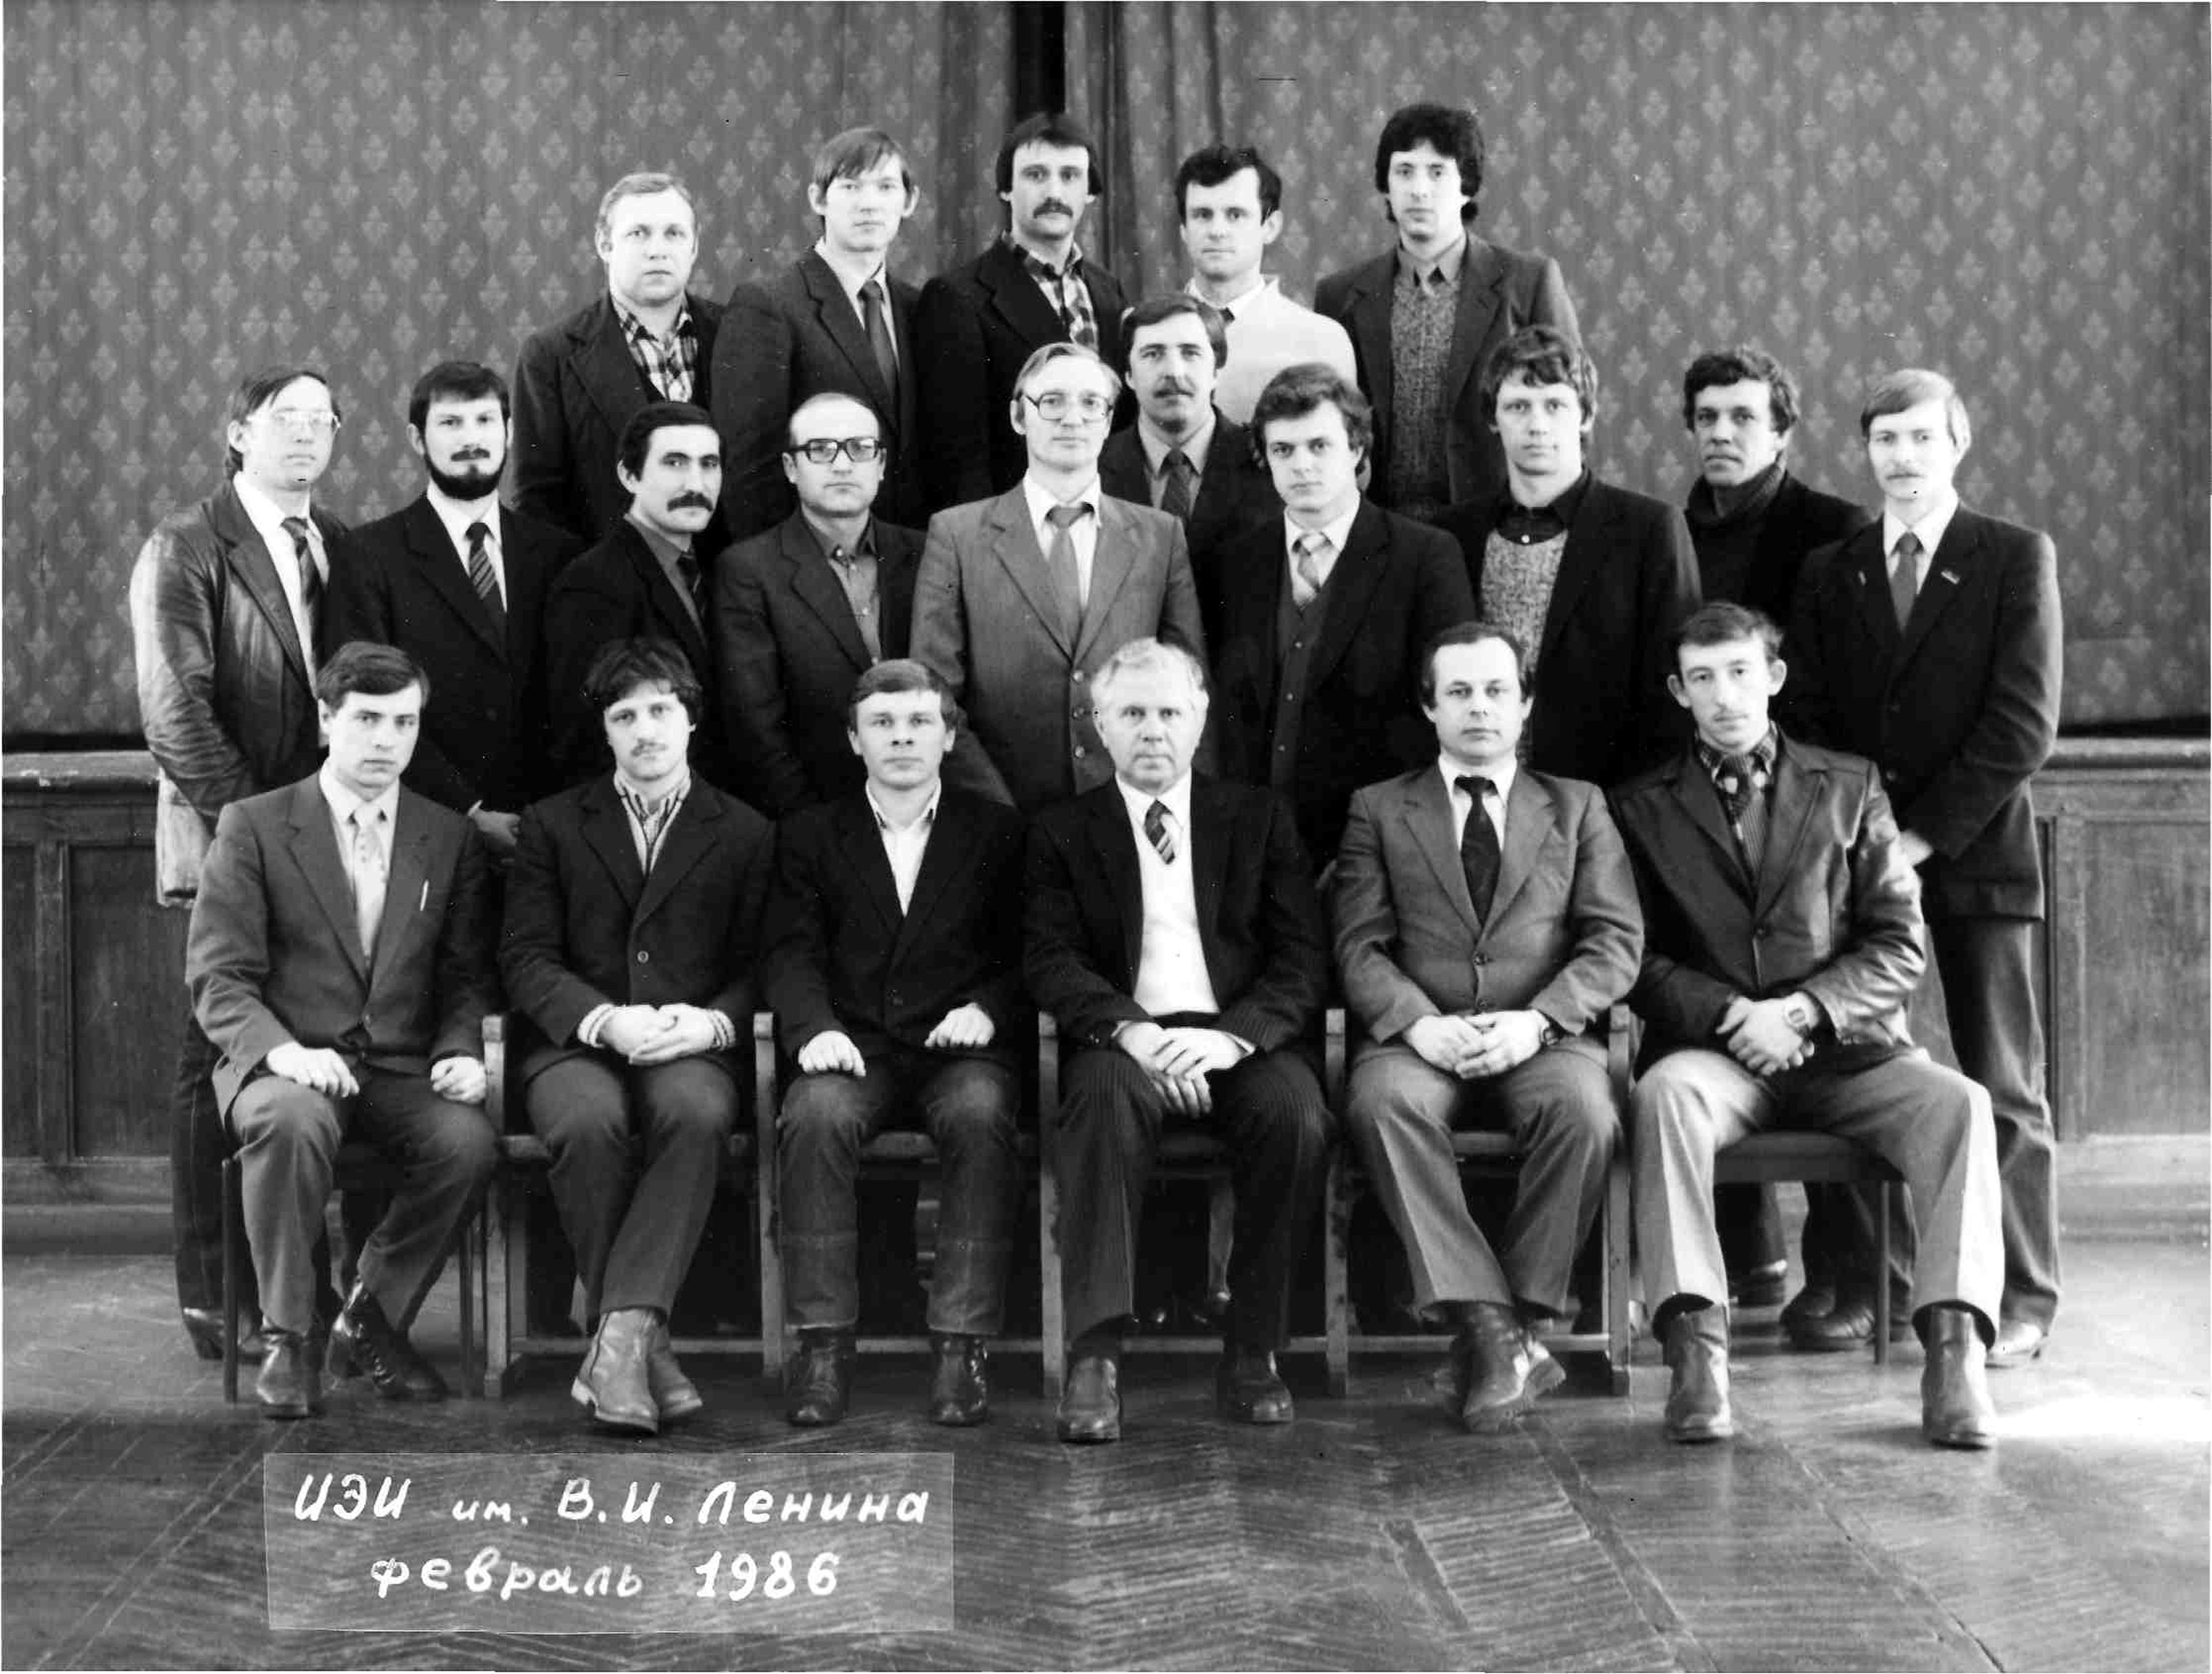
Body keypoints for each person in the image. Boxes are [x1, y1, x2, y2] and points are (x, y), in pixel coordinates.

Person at [1613, 603, 2002, 1449]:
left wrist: (1804, 1010)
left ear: (1774, 676)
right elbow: (1631, 956)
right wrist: (1730, 1014)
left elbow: (1899, 943)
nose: (1725, 695)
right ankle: (1696, 1357)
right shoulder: (1638, 807)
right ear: (1678, 691)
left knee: (1961, 1104)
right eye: (1703, 677)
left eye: (1740, 671)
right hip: (1716, 1056)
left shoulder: (1851, 785)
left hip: (1846, 1055)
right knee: (1663, 1098)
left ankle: (1954, 1358)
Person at [1786, 370, 2063, 1368]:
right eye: (1885, 439)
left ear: (1958, 444)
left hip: (1978, 858)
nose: (1902, 457)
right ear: (1865, 451)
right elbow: (1810, 718)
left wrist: (1918, 837)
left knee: (2002, 1083)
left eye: (1920, 437)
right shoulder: (1833, 569)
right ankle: (1880, 1283)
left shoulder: (2013, 555)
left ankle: (2021, 1296)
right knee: (1864, 1071)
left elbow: (2022, 724)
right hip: (1858, 866)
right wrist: (1865, 842)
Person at [1024, 639, 1333, 1443]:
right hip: (1121, 1041)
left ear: (1199, 720)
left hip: (1235, 1040)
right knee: (1098, 1101)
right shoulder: (1061, 829)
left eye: (1169, 711)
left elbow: (1301, 958)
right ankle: (1095, 1356)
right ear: (1098, 724)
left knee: (1296, 1115)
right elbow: (1049, 958)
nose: (1152, 729)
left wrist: (1234, 1041)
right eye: (1131, 712)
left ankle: (1254, 1348)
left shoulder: (1257, 819)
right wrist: (1130, 1031)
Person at [1333, 622, 1640, 1430]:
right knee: (1382, 1107)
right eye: (1459, 692)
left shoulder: (1577, 805)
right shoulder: (1377, 808)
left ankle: (1516, 1325)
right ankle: (1494, 1330)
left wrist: (1537, 1023)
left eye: (1496, 691)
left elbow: (1614, 941)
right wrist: (1415, 1024)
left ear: (1525, 703)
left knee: (1585, 1112)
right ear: (1428, 707)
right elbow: (1357, 945)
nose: (1479, 708)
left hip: (1542, 1034)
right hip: (1420, 1039)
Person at [185, 642, 498, 1419]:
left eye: (404, 722)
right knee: (289, 1123)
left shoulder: (446, 836)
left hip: (397, 1066)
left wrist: (461, 1051)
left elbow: (464, 977)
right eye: (366, 720)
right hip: (286, 1064)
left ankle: (369, 1314)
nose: (386, 740)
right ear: (326, 721)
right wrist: (284, 1052)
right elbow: (219, 978)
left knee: (467, 1142)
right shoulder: (255, 825)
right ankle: (290, 1337)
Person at [131, 365, 350, 1362]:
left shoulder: (335, 541)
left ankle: (300, 1290)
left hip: (322, 839)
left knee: (297, 1044)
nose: (305, 434)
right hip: (229, 834)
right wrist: (260, 832)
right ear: (238, 435)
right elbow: (174, 709)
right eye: (282, 418)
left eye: (321, 420)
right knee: (210, 1050)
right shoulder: (187, 545)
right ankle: (217, 1294)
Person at [499, 638, 772, 1435]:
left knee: (695, 1113)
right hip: (576, 1041)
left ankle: (616, 1342)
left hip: (690, 1043)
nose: (645, 730)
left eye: (661, 710)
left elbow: (770, 962)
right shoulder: (553, 824)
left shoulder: (747, 831)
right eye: (625, 716)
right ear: (605, 730)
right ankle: (638, 1348)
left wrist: (711, 1023)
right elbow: (524, 956)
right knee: (587, 1121)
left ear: (691, 720)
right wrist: (604, 1019)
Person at [761, 660, 1027, 1428]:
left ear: (948, 737)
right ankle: (822, 1345)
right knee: (814, 1116)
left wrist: (989, 1008)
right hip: (854, 1047)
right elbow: (789, 952)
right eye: (882, 724)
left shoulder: (998, 831)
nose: (901, 738)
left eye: (918, 723)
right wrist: (814, 1029)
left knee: (980, 1114)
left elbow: (1032, 951)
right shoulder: (811, 834)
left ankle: (960, 1346)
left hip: (960, 1049)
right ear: (854, 739)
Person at [1676, 345, 1871, 1320]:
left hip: (1813, 807)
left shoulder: (1832, 529)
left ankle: (1851, 1274)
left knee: (1820, 1036)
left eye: (1743, 416)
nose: (1722, 433)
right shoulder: (1676, 529)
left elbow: (1847, 683)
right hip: (1710, 793)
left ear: (1783, 430)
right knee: (1722, 1016)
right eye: (1707, 417)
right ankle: (1748, 1258)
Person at [911, 342, 1204, 814]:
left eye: (1091, 403)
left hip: (1128, 812)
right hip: (1004, 814)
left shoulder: (1159, 536)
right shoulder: (957, 534)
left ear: (1108, 421)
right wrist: (998, 812)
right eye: (1052, 402)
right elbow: (934, 694)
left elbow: (1189, 683)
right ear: (1018, 416)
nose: (1073, 418)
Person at [1210, 363, 1474, 870]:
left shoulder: (1425, 557)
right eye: (1283, 450)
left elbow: (1442, 711)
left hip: (1377, 847)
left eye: (1319, 446)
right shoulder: (1238, 561)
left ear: (1356, 450)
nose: (1301, 465)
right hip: (1256, 845)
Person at [322, 360, 582, 860]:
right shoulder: (369, 555)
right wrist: (469, 812)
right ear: (417, 439)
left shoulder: (559, 555)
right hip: (426, 829)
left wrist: (551, 817)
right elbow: (365, 701)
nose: (471, 438)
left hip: (549, 832)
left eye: (485, 420)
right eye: (450, 423)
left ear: (509, 433)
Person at [1436, 326, 1700, 788]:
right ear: (1493, 419)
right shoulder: (1453, 535)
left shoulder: (1648, 529)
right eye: (1518, 406)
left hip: (1607, 794)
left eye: (1555, 405)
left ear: (1586, 415)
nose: (1537, 424)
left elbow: (1673, 688)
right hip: (1475, 790)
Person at [1315, 102, 1579, 522]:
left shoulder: (1526, 282)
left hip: (1498, 521)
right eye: (1404, 171)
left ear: (1466, 185)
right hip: (1381, 526)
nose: (1419, 190)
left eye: (1437, 172)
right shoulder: (1341, 295)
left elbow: (1571, 410)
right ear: (1386, 185)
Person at [709, 127, 926, 543]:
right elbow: (749, 468)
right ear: (818, 199)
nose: (868, 203)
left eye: (885, 187)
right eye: (850, 186)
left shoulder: (919, 308)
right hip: (803, 558)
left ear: (909, 201)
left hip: (905, 553)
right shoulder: (768, 304)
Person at [714, 393, 924, 815]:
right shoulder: (749, 570)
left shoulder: (925, 553)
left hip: (928, 801)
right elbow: (756, 729)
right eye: (821, 450)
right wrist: (813, 828)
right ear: (791, 468)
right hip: (816, 813)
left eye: (860, 448)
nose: (842, 465)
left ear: (881, 465)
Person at [913, 112, 1129, 511]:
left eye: (1070, 176)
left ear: (1090, 192)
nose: (1054, 191)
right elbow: (958, 461)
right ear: (1006, 189)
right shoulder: (956, 297)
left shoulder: (1108, 292)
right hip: (1010, 527)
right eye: (1035, 175)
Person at [511, 171, 725, 547]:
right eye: (638, 233)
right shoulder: (550, 355)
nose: (657, 250)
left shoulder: (737, 334)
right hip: (605, 578)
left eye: (673, 233)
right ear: (604, 244)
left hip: (729, 579)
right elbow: (538, 505)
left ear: (694, 247)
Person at [542, 402, 731, 788]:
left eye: (709, 464)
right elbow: (584, 737)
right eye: (675, 463)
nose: (696, 484)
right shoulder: (592, 583)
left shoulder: (713, 567)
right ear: (629, 476)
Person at [1097, 295, 1280, 643]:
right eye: (1153, 354)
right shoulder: (1093, 469)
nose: (1174, 371)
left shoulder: (1268, 466)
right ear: (1128, 375)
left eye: (1191, 353)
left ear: (1216, 371)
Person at [1171, 143, 1356, 425]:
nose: (1217, 231)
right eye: (1202, 215)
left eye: (1235, 215)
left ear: (1270, 227)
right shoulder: (1145, 331)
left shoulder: (1323, 340)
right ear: (1184, 229)